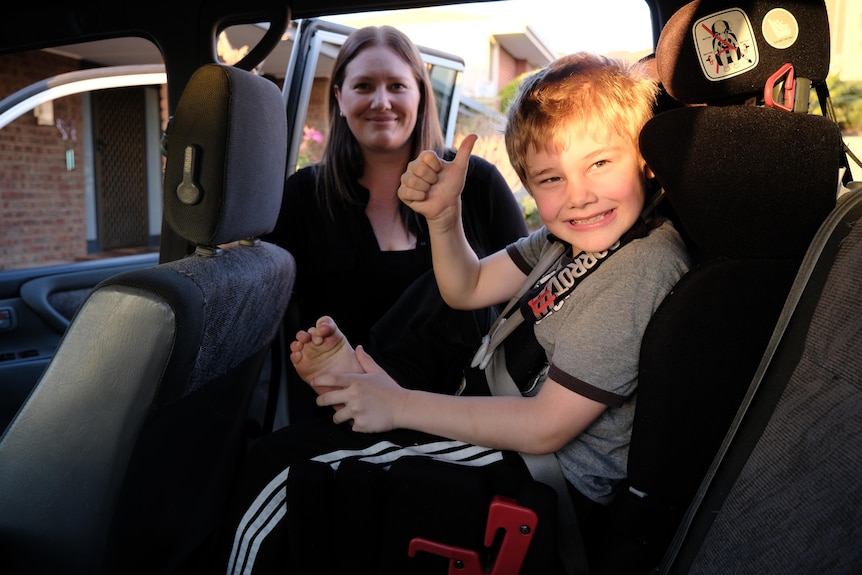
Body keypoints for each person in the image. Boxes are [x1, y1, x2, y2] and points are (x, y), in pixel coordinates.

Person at [222, 52, 691, 575]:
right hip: (499, 437)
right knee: (299, 452)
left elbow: (545, 428)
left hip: (539, 484)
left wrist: (400, 407)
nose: (579, 196)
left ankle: (378, 398)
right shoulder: (564, 242)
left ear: (644, 159)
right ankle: (372, 394)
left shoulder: (644, 262)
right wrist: (444, 217)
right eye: (551, 179)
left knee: (285, 477)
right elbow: (465, 287)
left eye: (600, 163)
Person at [264, 25, 527, 420]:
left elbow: (532, 297)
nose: (382, 101)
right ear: (339, 97)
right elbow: (269, 311)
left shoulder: (477, 183)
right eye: (365, 85)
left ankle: (364, 378)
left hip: (468, 410)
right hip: (348, 417)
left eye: (397, 86)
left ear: (421, 95)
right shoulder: (303, 196)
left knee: (458, 283)